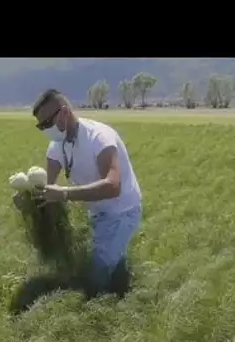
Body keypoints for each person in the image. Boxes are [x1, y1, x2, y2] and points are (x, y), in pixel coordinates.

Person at [21, 88, 142, 298]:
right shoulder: (57, 146)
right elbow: (47, 191)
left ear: (65, 112)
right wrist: (27, 200)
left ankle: (101, 306)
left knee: (95, 275)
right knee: (97, 259)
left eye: (48, 123)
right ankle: (121, 277)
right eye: (41, 126)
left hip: (122, 211)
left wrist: (65, 194)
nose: (46, 129)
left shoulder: (100, 138)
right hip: (95, 212)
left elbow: (113, 186)